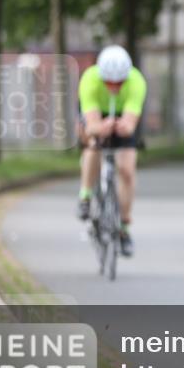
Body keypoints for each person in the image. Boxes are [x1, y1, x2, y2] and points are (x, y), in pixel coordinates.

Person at [76, 45, 147, 257]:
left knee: (126, 170)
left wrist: (123, 126)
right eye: (109, 83)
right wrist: (100, 127)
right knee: (93, 145)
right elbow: (91, 125)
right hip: (97, 114)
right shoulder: (89, 79)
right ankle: (86, 196)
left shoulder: (136, 81)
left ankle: (124, 227)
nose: (114, 87)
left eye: (119, 83)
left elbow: (130, 124)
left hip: (123, 116)